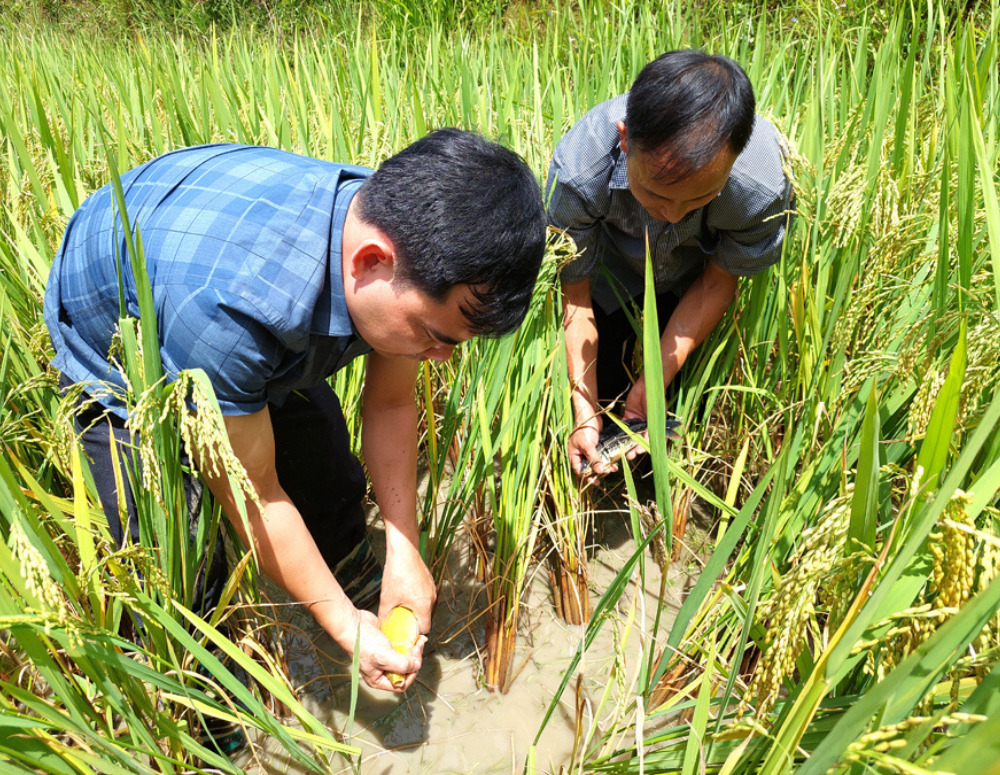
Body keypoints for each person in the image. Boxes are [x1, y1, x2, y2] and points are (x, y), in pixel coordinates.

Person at [45, 130, 546, 701]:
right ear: (372, 261)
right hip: (115, 327)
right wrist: (343, 626)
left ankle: (357, 574)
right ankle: (207, 711)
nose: (442, 357)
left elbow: (391, 401)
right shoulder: (231, 316)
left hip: (206, 240)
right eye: (436, 337)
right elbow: (252, 495)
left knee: (326, 465)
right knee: (179, 557)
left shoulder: (399, 228)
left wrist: (404, 549)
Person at [546, 50, 794, 478]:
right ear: (625, 139)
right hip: (608, 273)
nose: (675, 214)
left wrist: (654, 383)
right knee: (602, 382)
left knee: (677, 410)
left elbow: (718, 283)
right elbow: (576, 293)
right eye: (657, 193)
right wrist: (584, 410)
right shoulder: (580, 170)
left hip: (692, 276)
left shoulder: (760, 186)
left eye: (699, 198)